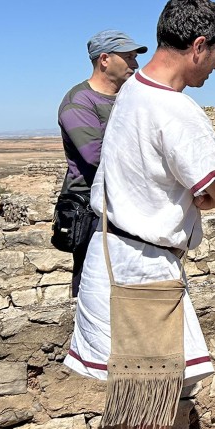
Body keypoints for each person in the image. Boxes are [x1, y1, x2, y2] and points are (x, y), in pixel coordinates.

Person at [63, 0, 215, 429]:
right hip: (140, 272)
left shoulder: (133, 90)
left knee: (140, 394)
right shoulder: (177, 111)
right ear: (197, 47)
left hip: (120, 255)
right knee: (149, 404)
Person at [57, 30, 147, 295]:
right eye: (128, 57)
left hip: (129, 203)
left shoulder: (131, 98)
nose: (135, 64)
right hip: (92, 209)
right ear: (105, 60)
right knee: (93, 285)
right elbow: (96, 156)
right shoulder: (79, 102)